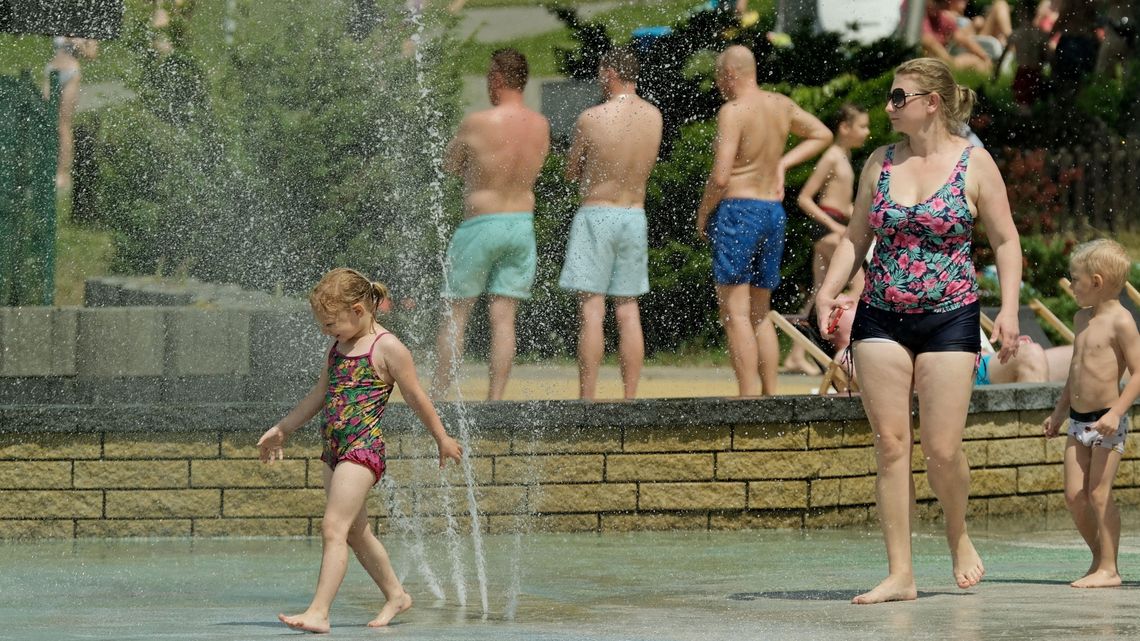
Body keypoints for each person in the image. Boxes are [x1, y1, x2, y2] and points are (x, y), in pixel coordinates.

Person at [815, 57, 1022, 604]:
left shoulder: (975, 164)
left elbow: (1004, 240)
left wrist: (1009, 309)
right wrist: (827, 291)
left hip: (950, 315)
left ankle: (958, 536)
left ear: (932, 102)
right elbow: (856, 237)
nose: (888, 106)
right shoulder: (879, 163)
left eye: (898, 97)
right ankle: (900, 574)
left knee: (941, 449)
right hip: (880, 314)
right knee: (889, 444)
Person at [257, 268, 463, 633]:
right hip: (333, 449)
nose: (326, 332)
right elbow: (320, 395)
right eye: (323, 325)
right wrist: (283, 428)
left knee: (333, 527)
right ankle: (396, 594)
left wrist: (442, 437)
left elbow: (416, 396)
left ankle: (319, 612)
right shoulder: (338, 347)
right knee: (355, 531)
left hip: (362, 448)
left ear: (357, 310)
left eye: (330, 323)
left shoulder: (388, 348)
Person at [696, 44, 832, 397]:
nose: (718, 84)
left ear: (730, 74)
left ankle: (745, 398)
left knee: (735, 312)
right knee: (760, 311)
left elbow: (722, 175)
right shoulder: (780, 105)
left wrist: (704, 211)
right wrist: (782, 163)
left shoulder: (733, 111)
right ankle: (770, 393)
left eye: (718, 76)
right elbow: (822, 134)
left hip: (739, 210)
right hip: (772, 213)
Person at [431, 49, 550, 401]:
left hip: (481, 224)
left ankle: (437, 398)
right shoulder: (540, 125)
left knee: (456, 314)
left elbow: (450, 165)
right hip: (521, 226)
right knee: (503, 320)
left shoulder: (478, 123)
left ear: (497, 79)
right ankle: (495, 400)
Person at [560, 47, 663, 400]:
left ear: (610, 73)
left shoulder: (591, 118)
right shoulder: (654, 117)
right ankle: (629, 398)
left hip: (597, 214)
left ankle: (587, 399)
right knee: (628, 308)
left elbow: (572, 171)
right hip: (635, 215)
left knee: (592, 309)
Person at [1043, 239, 1140, 589]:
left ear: (1097, 282)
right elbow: (1076, 367)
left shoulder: (1122, 322)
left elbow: (1139, 373)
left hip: (1107, 420)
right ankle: (1100, 558)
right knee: (1074, 495)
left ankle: (1110, 569)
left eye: (1075, 279)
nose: (1071, 286)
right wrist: (1058, 412)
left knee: (1099, 494)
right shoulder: (1081, 318)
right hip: (1078, 420)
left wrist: (1116, 412)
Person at [784, 103, 871, 376]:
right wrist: (834, 224)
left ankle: (796, 355)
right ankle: (849, 344)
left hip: (837, 225)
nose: (867, 132)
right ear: (844, 128)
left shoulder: (844, 158)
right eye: (862, 126)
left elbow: (844, 204)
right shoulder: (832, 156)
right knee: (860, 284)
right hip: (827, 229)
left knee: (821, 291)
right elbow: (805, 198)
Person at [44, 37, 97, 190]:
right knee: (46, 120)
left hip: (71, 73)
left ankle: (62, 173)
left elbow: (92, 55)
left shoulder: (86, 27)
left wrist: (78, 44)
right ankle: (46, 165)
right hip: (52, 70)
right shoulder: (62, 19)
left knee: (63, 124)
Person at [918, 0, 995, 73]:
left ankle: (987, 79)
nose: (936, 4)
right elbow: (929, 42)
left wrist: (984, 56)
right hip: (924, 61)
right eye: (935, 1)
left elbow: (964, 40)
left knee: (977, 61)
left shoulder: (943, 18)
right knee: (971, 61)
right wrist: (950, 62)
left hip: (942, 61)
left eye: (940, 1)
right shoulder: (919, 17)